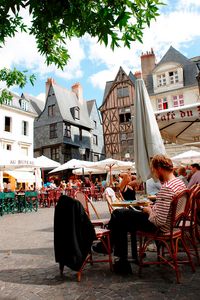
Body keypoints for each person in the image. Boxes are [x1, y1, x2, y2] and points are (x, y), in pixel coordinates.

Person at [93, 154, 186, 274]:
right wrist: (154, 207)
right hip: (171, 224)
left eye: (154, 171)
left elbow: (159, 221)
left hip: (159, 226)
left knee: (118, 214)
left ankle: (108, 248)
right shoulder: (179, 183)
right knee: (121, 219)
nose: (155, 175)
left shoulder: (167, 188)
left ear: (159, 169)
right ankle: (119, 260)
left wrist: (149, 210)